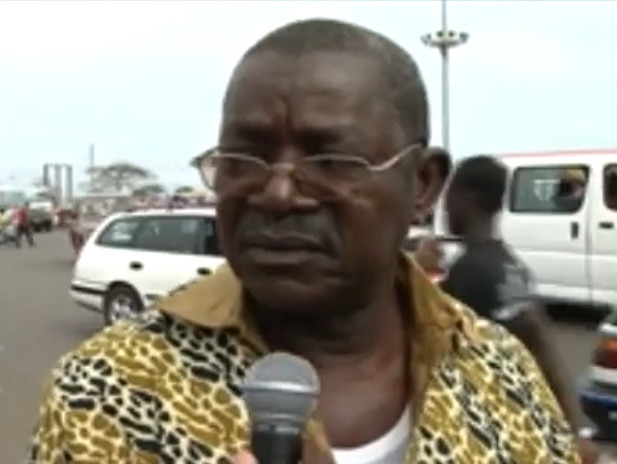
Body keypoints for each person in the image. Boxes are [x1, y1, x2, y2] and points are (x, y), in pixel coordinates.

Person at [28, 19, 581, 464]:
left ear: (422, 183)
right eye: (244, 157)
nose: (277, 194)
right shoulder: (109, 390)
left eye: (331, 160)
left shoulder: (498, 369)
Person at [416, 155, 597, 462]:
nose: (444, 209)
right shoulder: (510, 265)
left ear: (465, 199)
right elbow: (543, 346)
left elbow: (419, 335)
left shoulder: (470, 272)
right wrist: (576, 429)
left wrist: (418, 271)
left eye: (449, 197)